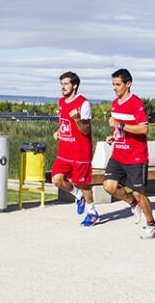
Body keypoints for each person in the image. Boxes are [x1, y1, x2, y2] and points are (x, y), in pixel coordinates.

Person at [103, 69, 155, 239]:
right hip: (118, 154)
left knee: (139, 192)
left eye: (118, 84)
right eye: (113, 84)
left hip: (136, 156)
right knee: (109, 186)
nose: (114, 88)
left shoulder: (136, 103)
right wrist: (114, 136)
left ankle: (152, 224)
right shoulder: (115, 103)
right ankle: (132, 203)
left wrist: (120, 125)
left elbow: (144, 129)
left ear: (128, 84)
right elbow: (119, 129)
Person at [51, 71, 99, 227]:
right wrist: (59, 131)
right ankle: (78, 196)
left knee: (84, 184)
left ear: (75, 85)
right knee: (57, 180)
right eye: (62, 84)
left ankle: (91, 212)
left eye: (66, 84)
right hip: (64, 150)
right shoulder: (61, 102)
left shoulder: (84, 104)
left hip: (80, 152)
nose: (63, 87)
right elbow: (64, 122)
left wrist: (77, 118)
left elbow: (85, 130)